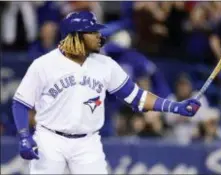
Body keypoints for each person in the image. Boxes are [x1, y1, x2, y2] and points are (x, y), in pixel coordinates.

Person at [12, 11, 201, 174]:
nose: (98, 36)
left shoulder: (105, 64)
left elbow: (137, 97)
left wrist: (176, 107)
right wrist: (24, 136)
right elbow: (21, 103)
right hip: (50, 140)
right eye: (92, 32)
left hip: (87, 142)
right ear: (75, 36)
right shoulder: (44, 64)